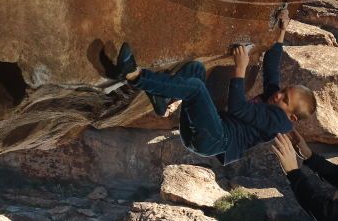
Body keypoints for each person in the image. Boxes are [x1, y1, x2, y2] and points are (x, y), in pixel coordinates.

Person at [113, 9, 317, 165]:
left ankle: (134, 75)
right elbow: (272, 69)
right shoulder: (276, 101)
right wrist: (281, 32)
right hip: (209, 130)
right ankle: (162, 100)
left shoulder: (278, 121)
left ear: (292, 117)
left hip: (215, 139)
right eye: (283, 91)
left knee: (196, 88)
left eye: (285, 100)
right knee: (196, 70)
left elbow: (238, 107)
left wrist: (240, 68)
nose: (278, 95)